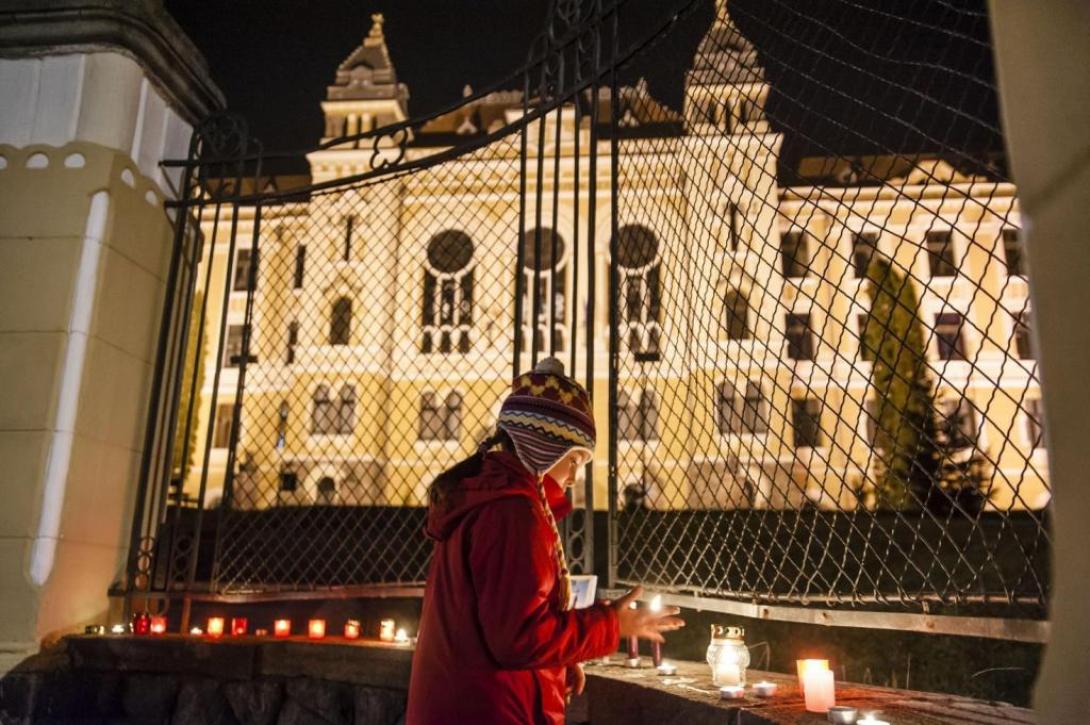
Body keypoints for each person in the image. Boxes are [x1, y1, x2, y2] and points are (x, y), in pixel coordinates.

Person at [406, 357, 683, 725]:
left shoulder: (490, 498)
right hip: (491, 711)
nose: (573, 477)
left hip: (471, 702)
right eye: (574, 460)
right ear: (542, 448)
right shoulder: (512, 514)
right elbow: (517, 639)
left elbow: (499, 624)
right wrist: (612, 625)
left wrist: (556, 665)